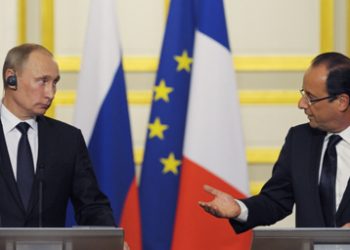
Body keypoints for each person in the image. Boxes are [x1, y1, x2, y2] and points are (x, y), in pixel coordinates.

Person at [199, 51, 350, 233]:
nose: (301, 104)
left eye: (311, 98)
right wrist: (239, 209)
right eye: (303, 94)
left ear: (342, 102)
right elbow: (276, 201)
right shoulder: (299, 140)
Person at [0, 43, 116, 227]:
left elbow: (92, 206)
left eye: (54, 83)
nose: (51, 93)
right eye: (43, 81)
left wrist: (110, 240)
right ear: (11, 78)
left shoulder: (67, 140)